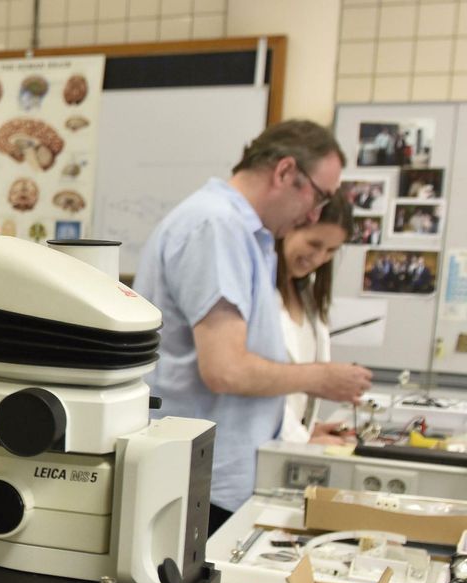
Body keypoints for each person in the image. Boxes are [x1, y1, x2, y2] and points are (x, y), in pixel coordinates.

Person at [136, 120, 371, 534]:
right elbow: (225, 370)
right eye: (318, 197)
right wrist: (318, 378)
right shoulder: (216, 227)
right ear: (284, 172)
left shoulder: (247, 235)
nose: (315, 215)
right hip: (197, 486)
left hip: (218, 479)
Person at [274, 195, 367, 445]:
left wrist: (309, 428)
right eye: (314, 244)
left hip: (285, 440)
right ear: (287, 229)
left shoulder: (307, 293)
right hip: (258, 445)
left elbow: (291, 394)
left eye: (331, 251)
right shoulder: (259, 293)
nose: (318, 259)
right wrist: (301, 440)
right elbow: (253, 385)